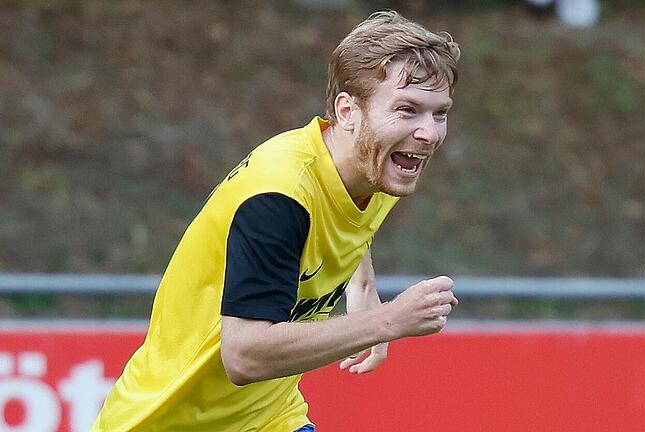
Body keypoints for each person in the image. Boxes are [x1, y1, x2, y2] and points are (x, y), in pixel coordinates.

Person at [90, 10, 460, 432]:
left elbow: (343, 209)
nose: (429, 133)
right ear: (348, 111)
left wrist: (363, 285)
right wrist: (387, 321)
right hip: (167, 423)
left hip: (269, 420)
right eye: (408, 110)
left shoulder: (374, 165)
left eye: (440, 113)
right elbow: (244, 355)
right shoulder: (278, 197)